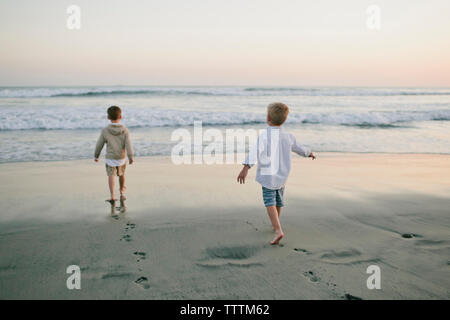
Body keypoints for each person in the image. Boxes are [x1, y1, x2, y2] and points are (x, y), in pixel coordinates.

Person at [237, 102, 315, 244]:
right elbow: (299, 148)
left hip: (268, 176)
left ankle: (278, 229)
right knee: (278, 200)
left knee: (269, 202)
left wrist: (246, 167)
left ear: (268, 117)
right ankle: (276, 225)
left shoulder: (265, 135)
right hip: (282, 175)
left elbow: (255, 152)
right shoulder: (288, 136)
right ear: (284, 119)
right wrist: (309, 153)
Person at [94, 106, 134, 214]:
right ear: (120, 116)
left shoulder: (105, 130)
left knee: (111, 175)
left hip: (110, 158)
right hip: (121, 157)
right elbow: (128, 144)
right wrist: (130, 156)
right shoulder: (125, 130)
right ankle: (121, 191)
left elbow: (99, 144)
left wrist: (96, 156)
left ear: (108, 117)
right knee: (121, 174)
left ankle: (112, 196)